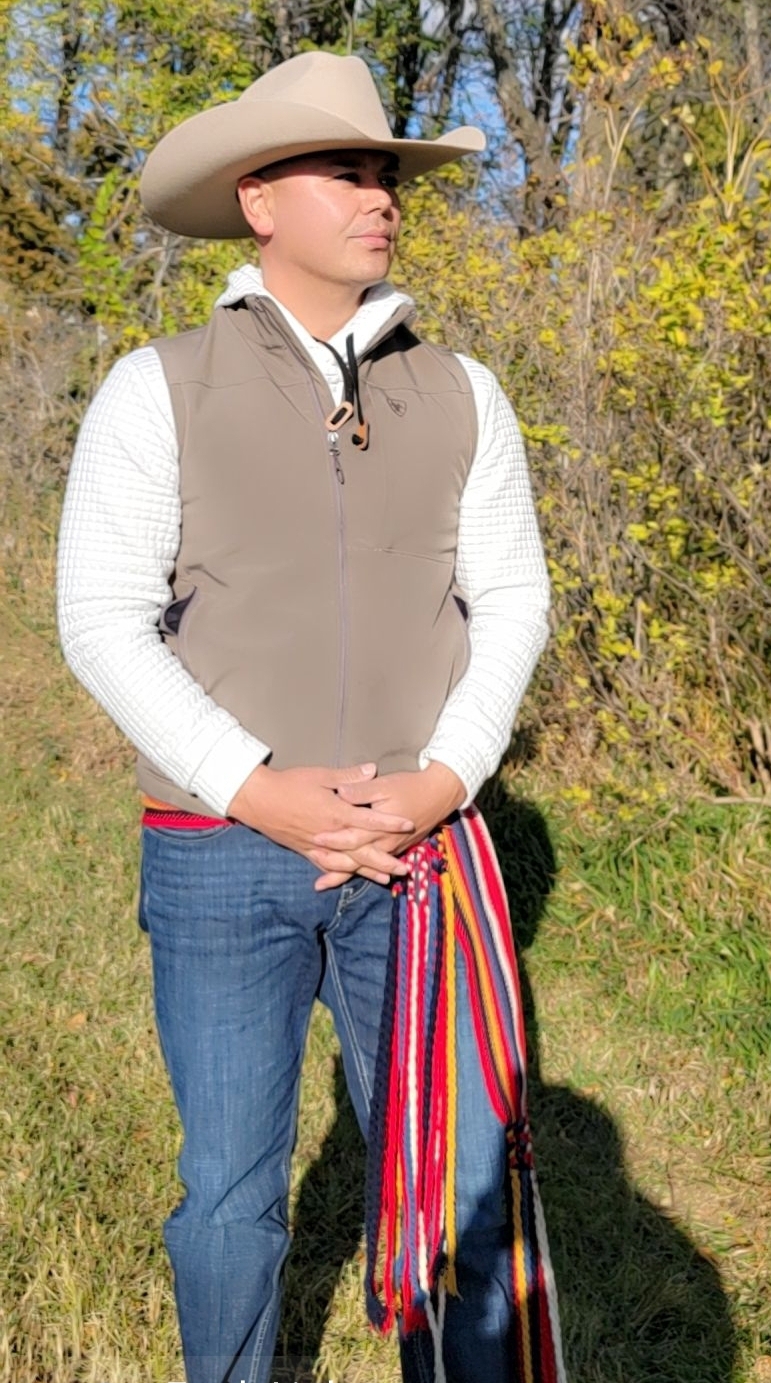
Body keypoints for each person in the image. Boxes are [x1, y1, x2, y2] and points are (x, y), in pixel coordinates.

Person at [57, 50, 564, 1383]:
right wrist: (255, 786)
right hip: (222, 853)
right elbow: (101, 619)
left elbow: (511, 600)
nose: (379, 190)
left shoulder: (463, 392)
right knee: (228, 1194)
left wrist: (444, 779)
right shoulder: (155, 385)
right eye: (348, 168)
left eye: (387, 169)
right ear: (259, 198)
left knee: (459, 1187)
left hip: (420, 855)